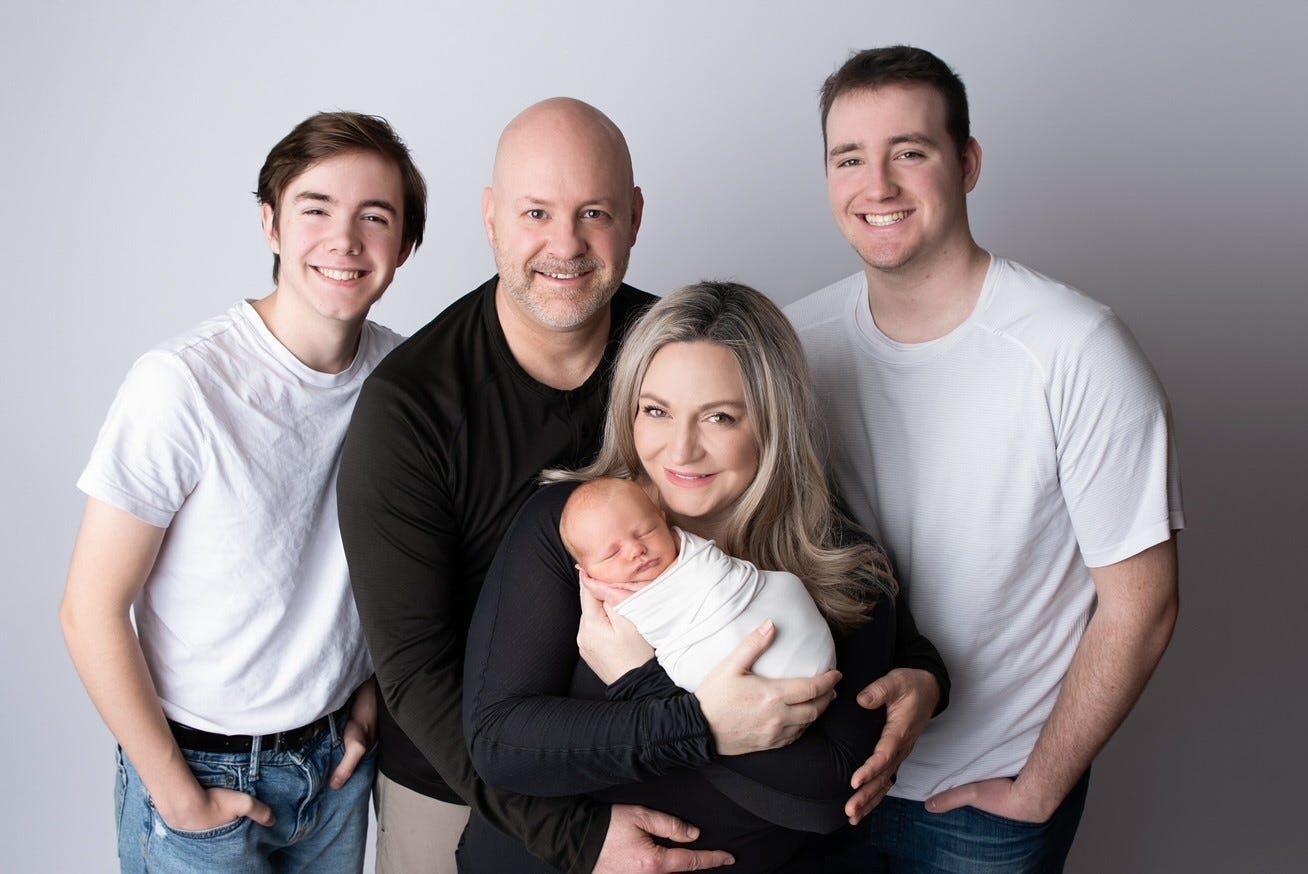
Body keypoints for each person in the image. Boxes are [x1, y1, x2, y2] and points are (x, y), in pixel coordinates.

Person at [339, 98, 947, 874]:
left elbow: (827, 552)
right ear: (491, 219)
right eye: (535, 212)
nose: (564, 244)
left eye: (592, 212)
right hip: (451, 773)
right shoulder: (421, 415)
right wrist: (597, 818)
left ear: (632, 217)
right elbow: (429, 681)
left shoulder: (684, 341)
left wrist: (927, 668)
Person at [786, 45, 1184, 872]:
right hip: (818, 787)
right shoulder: (794, 347)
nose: (878, 185)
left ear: (967, 164)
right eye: (850, 158)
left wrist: (1040, 787)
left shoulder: (1077, 349)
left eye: (911, 152)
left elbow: (1142, 606)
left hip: (981, 802)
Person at [59, 111, 426, 873]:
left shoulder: (407, 381)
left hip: (335, 767)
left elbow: (413, 561)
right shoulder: (183, 383)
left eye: (375, 217)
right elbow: (89, 610)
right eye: (316, 209)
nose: (345, 240)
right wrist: (177, 796)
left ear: (407, 246)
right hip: (196, 769)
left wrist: (371, 694)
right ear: (271, 225)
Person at [462, 281, 932, 872]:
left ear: (772, 423)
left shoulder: (842, 569)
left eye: (719, 417)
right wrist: (703, 726)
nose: (680, 451)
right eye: (656, 411)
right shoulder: (575, 526)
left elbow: (825, 797)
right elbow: (503, 743)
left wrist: (645, 682)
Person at [560, 476, 838, 691]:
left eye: (646, 531)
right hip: (725, 673)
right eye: (612, 553)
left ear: (664, 521)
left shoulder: (695, 554)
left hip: (780, 620)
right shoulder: (609, 613)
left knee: (787, 586)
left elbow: (719, 577)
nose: (636, 550)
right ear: (586, 573)